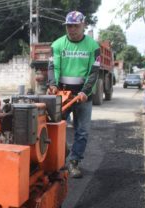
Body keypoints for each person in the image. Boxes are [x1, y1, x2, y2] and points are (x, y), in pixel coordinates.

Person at [47, 11, 100, 178]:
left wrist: (85, 91)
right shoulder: (57, 45)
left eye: (76, 26)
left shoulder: (93, 47)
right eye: (69, 26)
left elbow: (94, 72)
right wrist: (53, 85)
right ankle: (64, 152)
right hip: (63, 93)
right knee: (55, 127)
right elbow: (52, 67)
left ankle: (74, 162)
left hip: (83, 95)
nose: (72, 29)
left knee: (82, 131)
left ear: (83, 25)